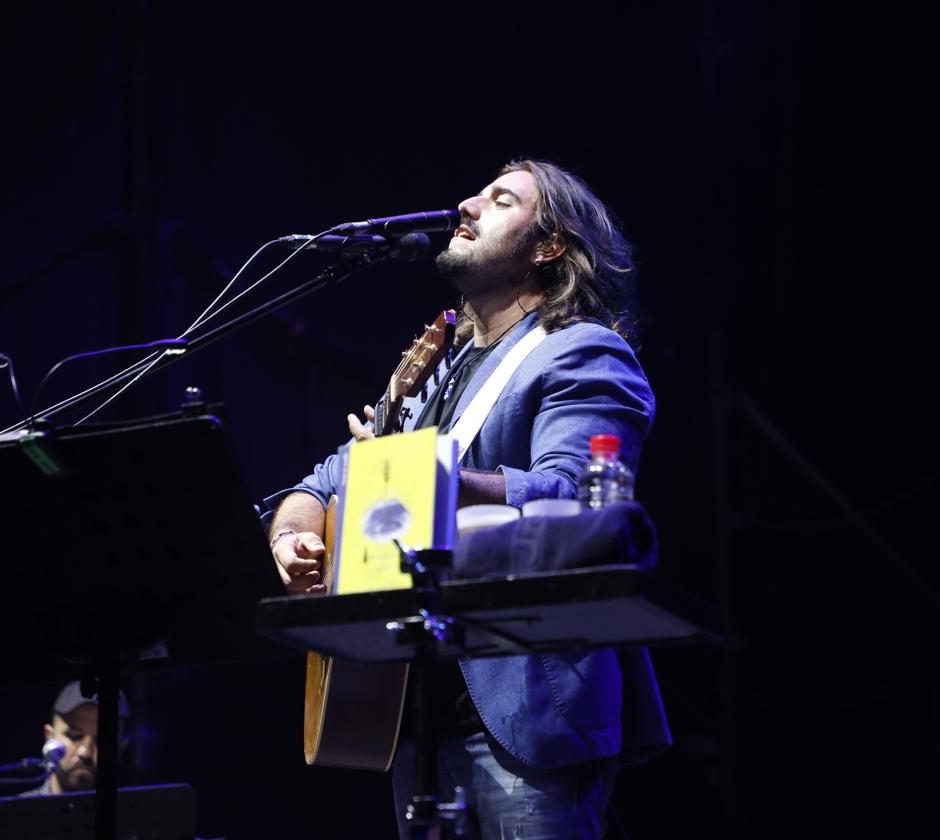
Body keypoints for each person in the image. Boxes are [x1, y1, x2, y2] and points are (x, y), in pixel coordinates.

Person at [266, 160, 671, 839]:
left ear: (548, 247)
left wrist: (421, 474)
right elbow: (320, 484)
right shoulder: (431, 381)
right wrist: (291, 539)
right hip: (414, 716)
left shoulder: (580, 353)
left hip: (527, 712)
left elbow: (577, 500)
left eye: (500, 198)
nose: (467, 203)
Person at [22, 681, 130, 796]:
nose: (85, 752)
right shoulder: (17, 813)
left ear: (121, 747)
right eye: (74, 736)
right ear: (49, 736)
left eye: (102, 741)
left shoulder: (135, 813)